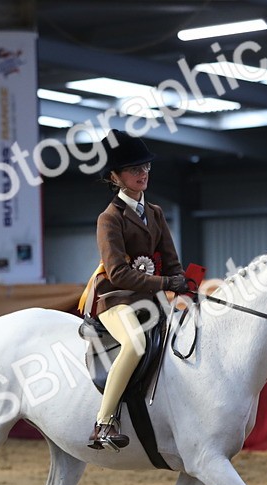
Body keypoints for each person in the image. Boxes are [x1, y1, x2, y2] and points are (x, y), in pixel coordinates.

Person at [87, 130, 188, 451]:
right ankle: (104, 422)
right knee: (135, 343)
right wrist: (164, 284)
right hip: (116, 299)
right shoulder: (109, 218)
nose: (142, 173)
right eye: (134, 169)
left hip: (153, 299)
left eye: (145, 167)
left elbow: (172, 263)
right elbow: (117, 272)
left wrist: (185, 284)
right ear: (115, 177)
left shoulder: (156, 213)